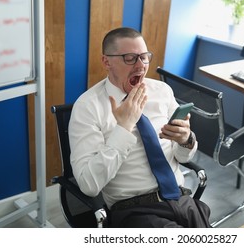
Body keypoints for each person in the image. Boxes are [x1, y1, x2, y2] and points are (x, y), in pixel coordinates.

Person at [69, 27, 210, 228]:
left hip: (181, 199)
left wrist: (186, 140)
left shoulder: (162, 91)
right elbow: (88, 185)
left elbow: (184, 157)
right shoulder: (87, 107)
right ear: (106, 61)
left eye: (144, 57)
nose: (140, 65)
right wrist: (124, 128)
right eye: (129, 58)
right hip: (135, 211)